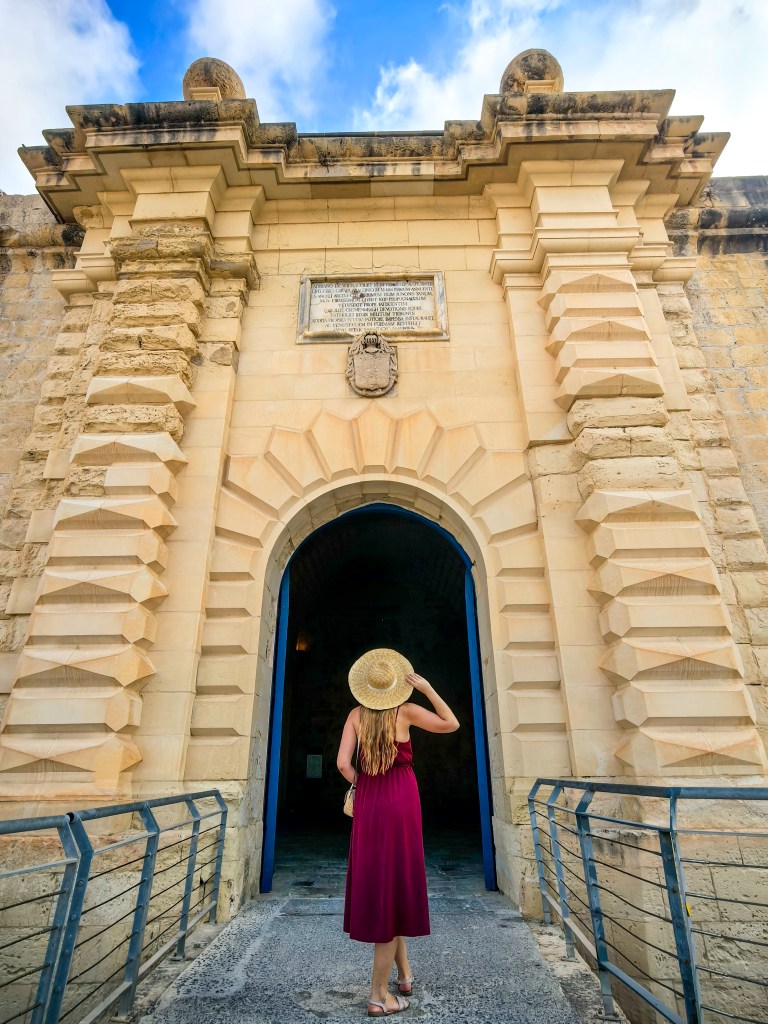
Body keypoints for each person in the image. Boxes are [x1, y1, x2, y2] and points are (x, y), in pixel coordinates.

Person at [336, 648, 460, 1017]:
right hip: (402, 802)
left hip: (371, 804)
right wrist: (428, 688)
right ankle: (378, 996)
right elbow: (451, 723)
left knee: (386, 886)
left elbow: (343, 763)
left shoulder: (355, 715)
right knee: (396, 884)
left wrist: (364, 784)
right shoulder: (405, 711)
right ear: (395, 686)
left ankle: (404, 975)